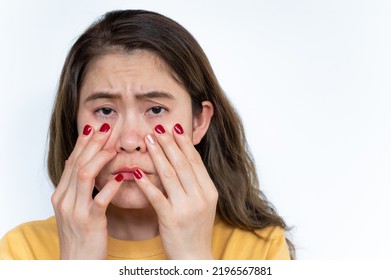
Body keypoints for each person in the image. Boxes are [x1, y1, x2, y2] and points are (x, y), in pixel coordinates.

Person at [0, 9, 295, 260]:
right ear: (74, 123)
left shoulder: (259, 248)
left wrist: (194, 260)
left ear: (199, 121)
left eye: (155, 110)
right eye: (104, 111)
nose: (129, 141)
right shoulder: (21, 251)